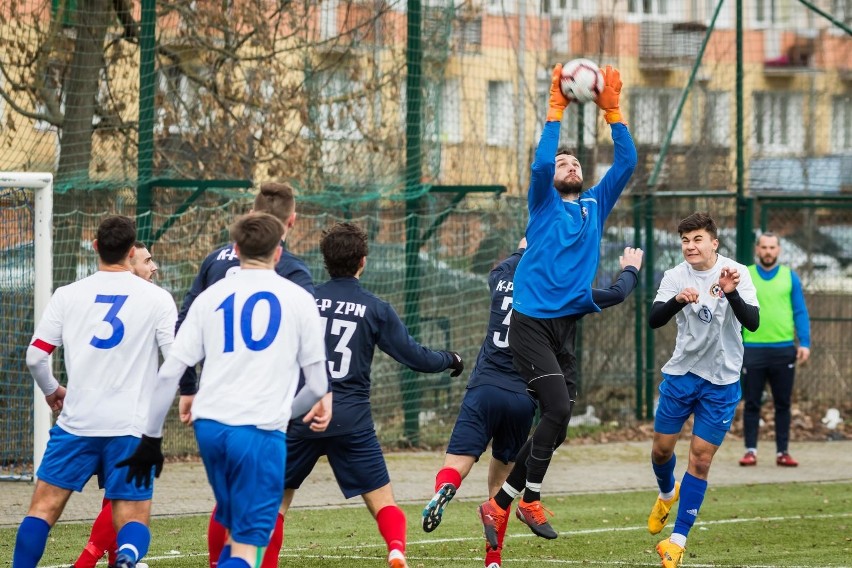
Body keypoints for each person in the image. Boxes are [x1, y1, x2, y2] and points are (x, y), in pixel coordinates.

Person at [477, 62, 637, 547]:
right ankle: (527, 498)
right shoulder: (543, 203)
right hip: (529, 324)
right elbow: (541, 165)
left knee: (560, 419)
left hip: (563, 328)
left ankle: (500, 503)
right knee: (557, 407)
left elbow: (626, 163)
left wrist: (612, 112)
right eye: (564, 164)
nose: (568, 166)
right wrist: (556, 110)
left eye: (575, 163)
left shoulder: (593, 205)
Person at [118, 212, 329, 568]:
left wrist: (150, 439)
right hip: (259, 431)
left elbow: (170, 373)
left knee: (232, 525)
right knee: (248, 547)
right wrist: (284, 413)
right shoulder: (298, 298)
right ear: (279, 253)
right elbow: (318, 387)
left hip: (210, 427)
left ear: (235, 249)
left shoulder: (210, 297)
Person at [424, 239, 643, 568]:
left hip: (484, 386)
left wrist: (526, 245)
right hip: (521, 393)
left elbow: (506, 264)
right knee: (501, 483)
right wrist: (630, 269)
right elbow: (614, 294)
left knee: (457, 464)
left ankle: (445, 488)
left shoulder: (499, 276)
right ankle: (493, 559)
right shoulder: (558, 290)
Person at [282, 222, 464, 568]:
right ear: (362, 262)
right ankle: (396, 549)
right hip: (351, 418)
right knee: (383, 501)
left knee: (275, 501)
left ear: (325, 261)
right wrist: (449, 359)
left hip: (303, 412)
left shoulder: (304, 300)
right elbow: (415, 357)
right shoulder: (375, 308)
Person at [174, 181, 330, 568]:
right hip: (264, 413)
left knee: (228, 509)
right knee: (256, 520)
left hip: (214, 409)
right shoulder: (291, 271)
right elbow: (312, 350)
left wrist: (189, 388)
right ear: (291, 222)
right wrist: (312, 397)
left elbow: (184, 326)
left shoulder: (214, 262)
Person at [13, 215, 177, 568]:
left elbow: (36, 357)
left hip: (77, 423)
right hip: (131, 427)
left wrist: (53, 389)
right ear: (132, 252)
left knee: (42, 510)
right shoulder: (158, 299)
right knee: (133, 517)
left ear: (95, 247)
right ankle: (128, 558)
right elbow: (175, 364)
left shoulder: (67, 295)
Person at [646, 212, 759, 568]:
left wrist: (731, 292)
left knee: (701, 458)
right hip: (682, 374)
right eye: (685, 241)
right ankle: (667, 494)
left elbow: (752, 323)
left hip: (722, 381)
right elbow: (654, 319)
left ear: (714, 242)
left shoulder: (737, 272)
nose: (691, 247)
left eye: (697, 240)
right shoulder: (674, 275)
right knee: (662, 451)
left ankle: (676, 542)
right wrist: (678, 300)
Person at [69, 241, 159, 568]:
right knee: (126, 500)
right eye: (147, 260)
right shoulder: (148, 304)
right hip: (125, 421)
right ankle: (88, 559)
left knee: (116, 498)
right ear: (129, 261)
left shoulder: (93, 299)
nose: (154, 267)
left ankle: (113, 560)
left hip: (90, 414)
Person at [739, 232, 811, 467]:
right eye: (764, 247)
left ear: (778, 250)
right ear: (757, 250)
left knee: (783, 404)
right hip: (752, 349)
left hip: (783, 350)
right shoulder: (745, 274)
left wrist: (805, 343)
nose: (768, 251)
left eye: (772, 247)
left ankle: (783, 452)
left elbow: (800, 311)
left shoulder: (790, 277)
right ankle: (750, 450)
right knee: (751, 403)